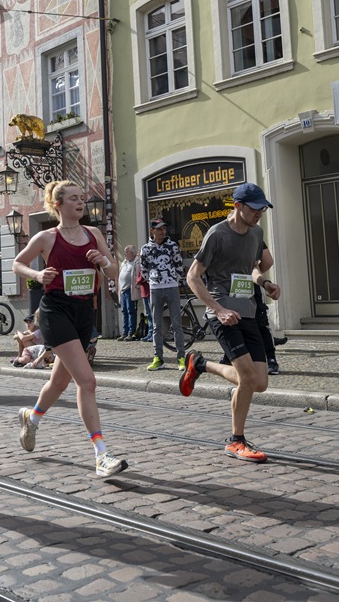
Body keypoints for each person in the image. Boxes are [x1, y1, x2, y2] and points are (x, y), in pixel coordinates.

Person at [13, 180, 128, 479]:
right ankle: (101, 454)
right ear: (59, 204)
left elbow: (114, 270)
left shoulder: (93, 233)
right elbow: (17, 263)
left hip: (83, 311)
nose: (80, 203)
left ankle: (32, 417)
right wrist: (38, 273)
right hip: (56, 311)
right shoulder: (46, 237)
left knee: (60, 381)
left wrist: (103, 261)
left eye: (82, 198)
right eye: (74, 199)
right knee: (87, 381)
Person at [181, 182, 280, 463]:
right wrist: (218, 309)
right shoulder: (216, 235)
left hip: (247, 310)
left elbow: (251, 267)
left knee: (259, 382)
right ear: (237, 206)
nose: (260, 213)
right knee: (247, 377)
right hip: (223, 314)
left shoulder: (255, 233)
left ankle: (200, 364)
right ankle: (236, 440)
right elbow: (193, 276)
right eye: (255, 208)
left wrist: (265, 283)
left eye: (263, 208)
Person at [139, 218, 187, 371]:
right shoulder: (145, 249)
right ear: (152, 231)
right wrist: (153, 280)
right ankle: (158, 358)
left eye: (164, 229)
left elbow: (179, 265)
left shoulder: (172, 246)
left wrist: (175, 280)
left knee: (177, 324)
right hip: (155, 288)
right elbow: (144, 269)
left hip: (172, 287)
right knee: (156, 326)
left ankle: (181, 357)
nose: (162, 232)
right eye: (158, 229)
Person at [117, 245, 140, 341]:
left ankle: (131, 332)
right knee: (124, 311)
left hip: (130, 290)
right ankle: (124, 332)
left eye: (126, 252)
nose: (124, 254)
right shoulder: (124, 263)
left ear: (132, 253)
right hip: (123, 290)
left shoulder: (136, 262)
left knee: (131, 311)